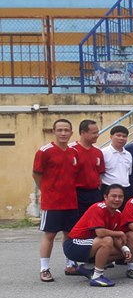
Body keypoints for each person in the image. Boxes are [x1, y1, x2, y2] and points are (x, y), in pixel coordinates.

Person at [33, 118, 80, 282]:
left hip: (71, 201)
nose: (63, 133)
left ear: (71, 132)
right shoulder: (44, 151)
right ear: (54, 131)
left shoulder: (74, 152)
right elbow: (36, 174)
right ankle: (44, 269)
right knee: (50, 235)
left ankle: (70, 264)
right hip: (52, 203)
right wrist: (46, 190)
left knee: (70, 234)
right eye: (60, 130)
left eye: (66, 130)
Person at [62, 184, 131, 287]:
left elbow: (114, 236)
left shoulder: (117, 214)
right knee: (106, 241)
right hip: (74, 244)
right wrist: (120, 233)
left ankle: (88, 268)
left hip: (90, 243)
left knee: (122, 252)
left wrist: (124, 249)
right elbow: (100, 232)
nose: (117, 199)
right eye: (114, 196)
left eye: (120, 197)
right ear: (105, 197)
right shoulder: (98, 208)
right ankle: (97, 277)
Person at [71, 119, 105, 216]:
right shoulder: (71, 150)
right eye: (94, 133)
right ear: (83, 133)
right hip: (77, 193)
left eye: (97, 132)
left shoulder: (98, 151)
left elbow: (100, 174)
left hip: (94, 194)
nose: (97, 135)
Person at [101, 125, 132, 195]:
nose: (121, 138)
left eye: (124, 136)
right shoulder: (103, 153)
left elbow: (129, 173)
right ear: (111, 136)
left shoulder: (128, 154)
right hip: (108, 188)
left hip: (125, 189)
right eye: (118, 135)